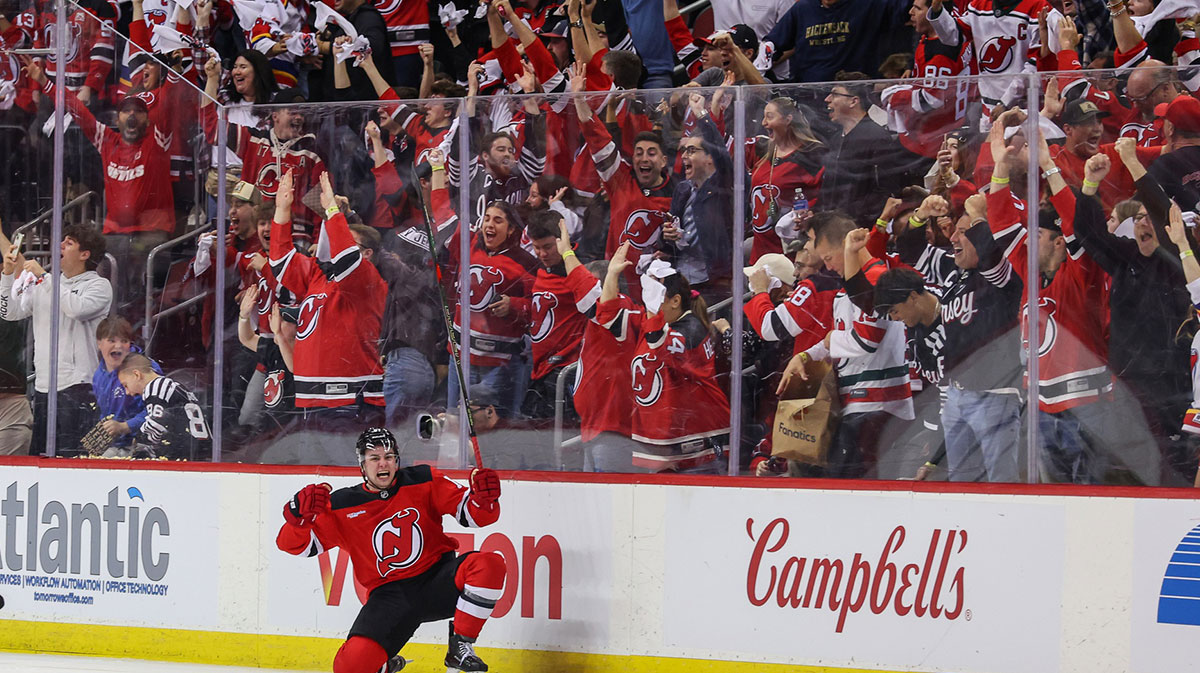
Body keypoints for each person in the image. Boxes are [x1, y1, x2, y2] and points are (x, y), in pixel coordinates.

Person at [275, 427, 505, 673]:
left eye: (388, 456)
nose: (382, 463)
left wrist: (484, 499)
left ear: (397, 461)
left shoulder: (423, 479)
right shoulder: (342, 505)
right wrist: (298, 518)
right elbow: (295, 546)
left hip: (437, 580)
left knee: (490, 564)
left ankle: (460, 647)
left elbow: (475, 516)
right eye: (374, 458)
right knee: (349, 667)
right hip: (389, 598)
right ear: (362, 466)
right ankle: (384, 667)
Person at [267, 170, 388, 458]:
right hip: (312, 402)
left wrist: (333, 211)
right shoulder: (318, 279)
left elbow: (346, 257)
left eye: (344, 244)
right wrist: (282, 210)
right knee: (317, 484)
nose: (333, 252)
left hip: (348, 401)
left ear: (367, 254)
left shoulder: (368, 281)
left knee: (347, 481)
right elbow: (280, 262)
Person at [596, 246, 730, 472]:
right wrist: (612, 274)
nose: (647, 299)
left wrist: (651, 310)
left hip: (698, 447)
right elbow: (608, 315)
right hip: (665, 444)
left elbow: (660, 343)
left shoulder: (691, 330)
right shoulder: (653, 321)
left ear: (675, 301)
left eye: (654, 293)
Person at [1, 224, 112, 456]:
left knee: (75, 457)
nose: (60, 245)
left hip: (79, 385)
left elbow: (76, 308)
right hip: (43, 385)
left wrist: (44, 277)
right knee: (41, 459)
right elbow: (9, 313)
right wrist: (8, 275)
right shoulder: (46, 284)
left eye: (69, 243)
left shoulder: (99, 285)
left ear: (85, 254)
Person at [939, 194, 1025, 482]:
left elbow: (990, 254)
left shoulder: (1003, 277)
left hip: (994, 394)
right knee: (960, 482)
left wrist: (978, 217)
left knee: (1001, 482)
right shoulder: (956, 278)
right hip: (957, 394)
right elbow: (915, 253)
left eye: (963, 232)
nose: (953, 238)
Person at [523, 211, 601, 419]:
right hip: (540, 369)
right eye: (536, 248)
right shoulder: (541, 269)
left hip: (566, 373)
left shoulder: (581, 271)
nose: (542, 254)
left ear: (563, 240)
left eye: (548, 247)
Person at [117, 353, 212, 460]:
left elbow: (155, 426)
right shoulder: (172, 386)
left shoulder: (155, 387)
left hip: (186, 456)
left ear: (137, 375)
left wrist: (137, 446)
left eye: (126, 385)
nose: (128, 392)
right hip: (202, 452)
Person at [91, 315, 161, 451]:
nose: (118, 346)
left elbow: (159, 410)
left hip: (144, 446)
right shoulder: (98, 375)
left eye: (124, 341)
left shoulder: (146, 368)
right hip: (115, 447)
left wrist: (125, 426)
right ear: (99, 343)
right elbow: (106, 413)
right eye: (111, 340)